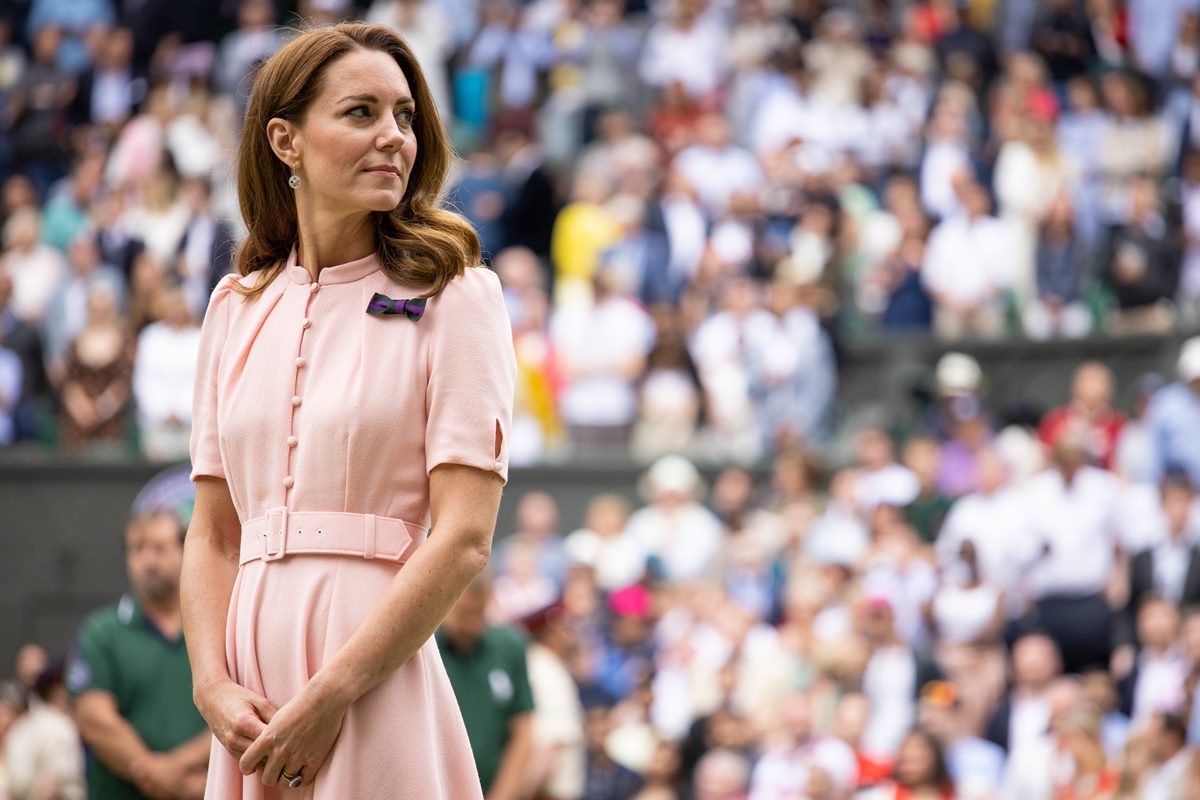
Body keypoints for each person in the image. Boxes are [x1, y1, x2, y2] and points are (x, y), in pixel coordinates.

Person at [180, 23, 516, 799]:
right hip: (246, 693)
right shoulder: (234, 306)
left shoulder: (458, 293)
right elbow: (214, 531)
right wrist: (210, 686)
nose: (393, 137)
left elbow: (464, 537)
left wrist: (334, 694)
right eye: (361, 113)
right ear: (285, 142)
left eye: (403, 115)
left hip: (371, 676)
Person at [66, 510, 209, 800]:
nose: (148, 561)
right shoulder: (101, 632)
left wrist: (176, 769)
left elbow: (233, 713)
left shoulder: (213, 628)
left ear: (185, 551)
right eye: (137, 549)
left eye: (159, 548)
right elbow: (95, 720)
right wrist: (163, 779)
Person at [437, 574, 535, 800]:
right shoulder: (426, 648)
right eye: (464, 613)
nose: (473, 623)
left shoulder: (509, 646)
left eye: (479, 612)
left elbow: (523, 732)